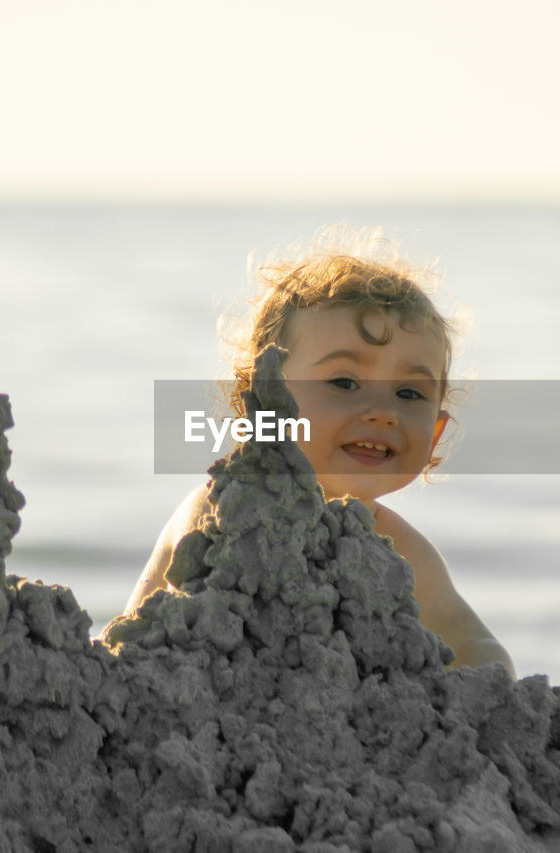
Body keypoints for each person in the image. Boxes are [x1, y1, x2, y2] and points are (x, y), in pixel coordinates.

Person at [127, 231, 516, 678]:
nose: (383, 413)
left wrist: (492, 677)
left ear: (436, 434)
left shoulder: (402, 552)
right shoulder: (217, 516)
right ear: (265, 400)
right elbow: (133, 637)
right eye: (344, 383)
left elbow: (472, 641)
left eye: (409, 393)